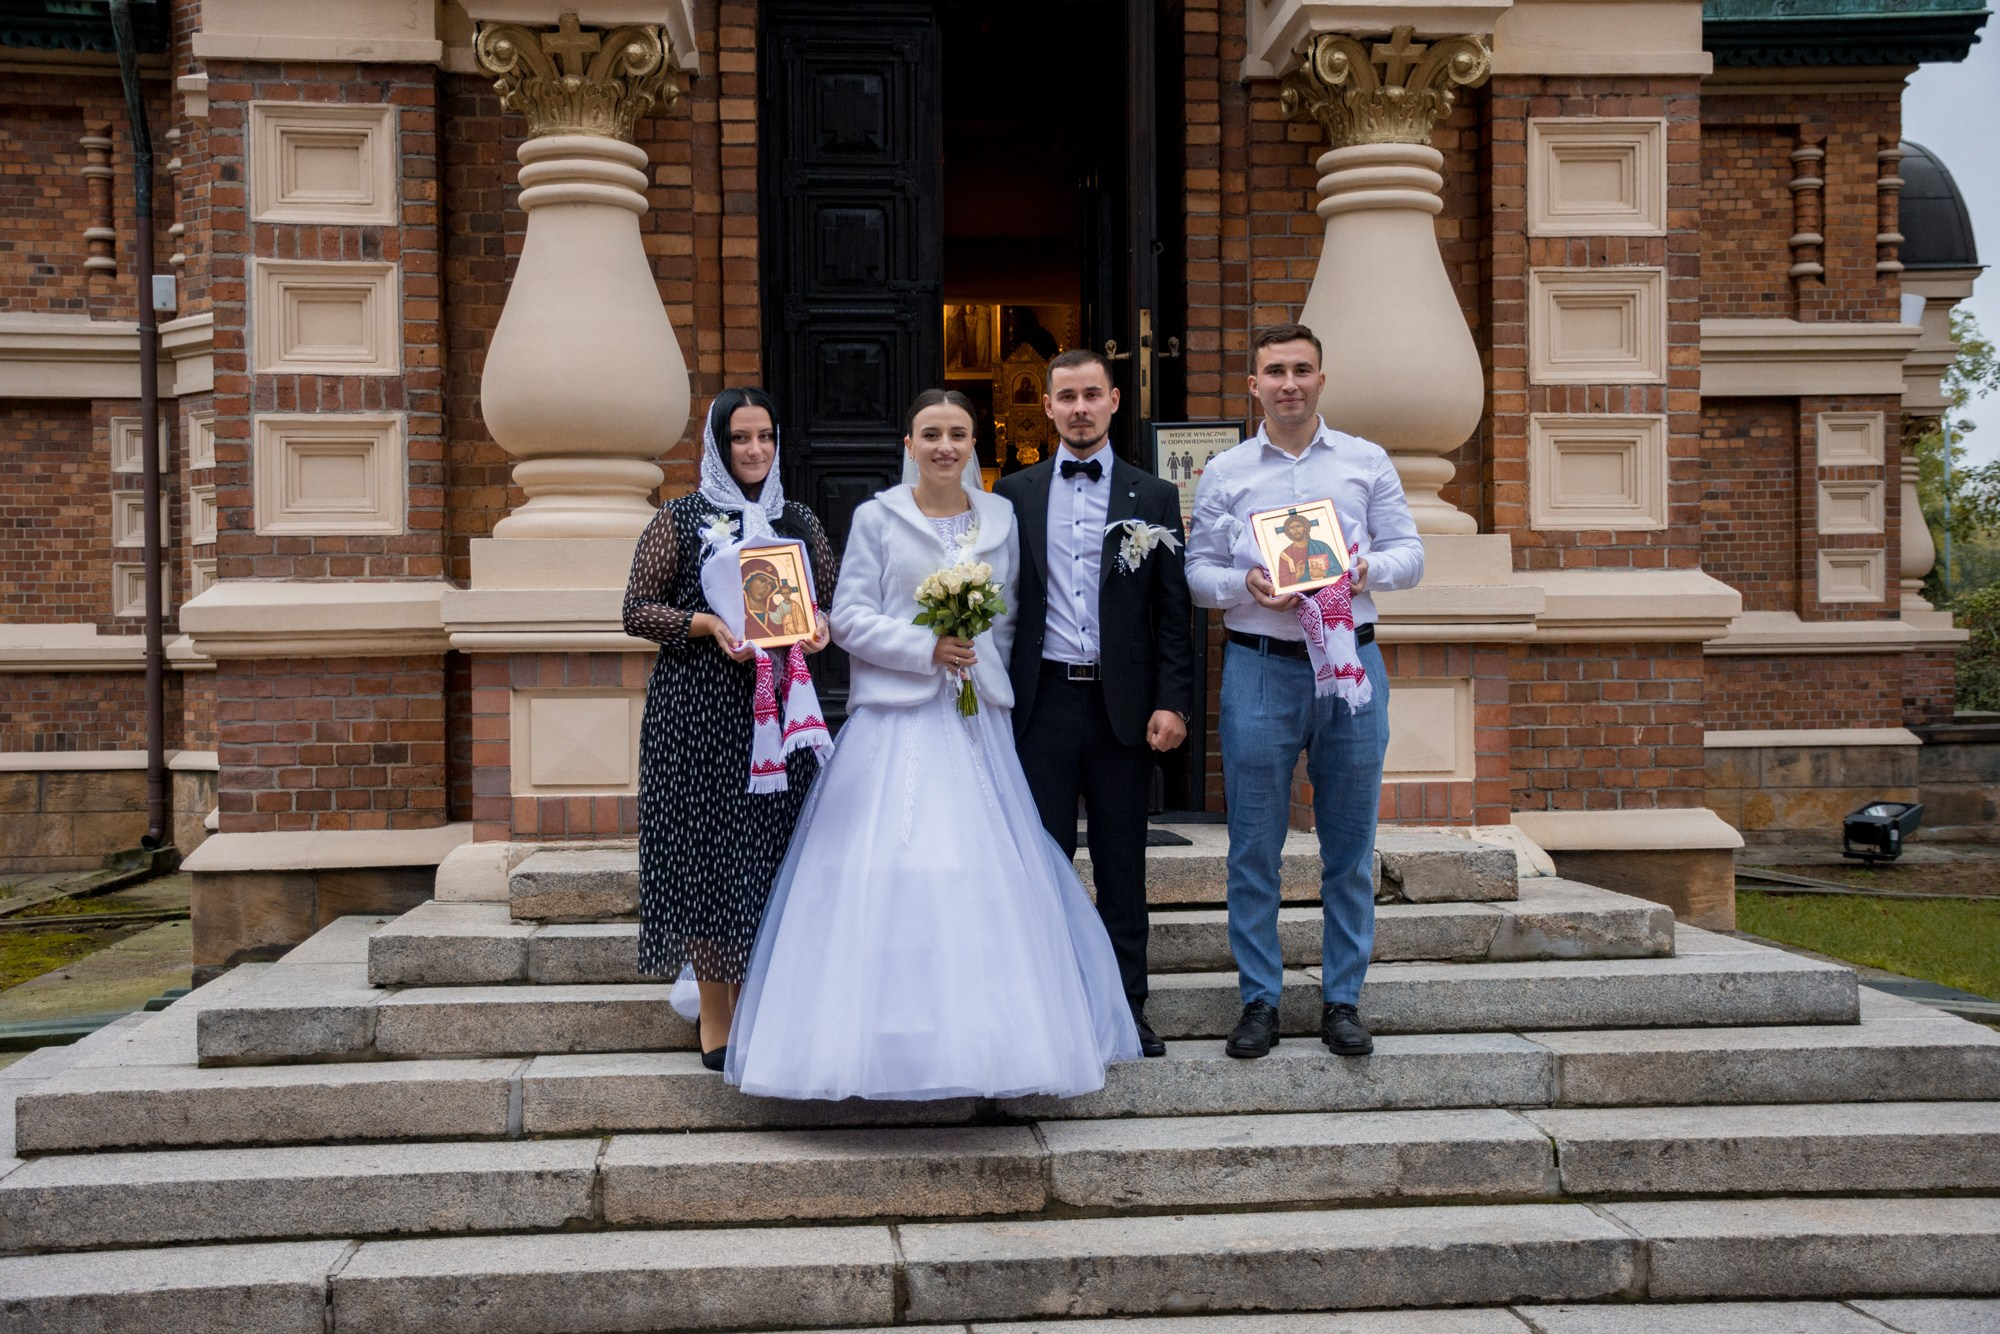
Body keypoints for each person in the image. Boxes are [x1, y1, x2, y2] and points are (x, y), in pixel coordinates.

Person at [725, 389, 1140, 1100]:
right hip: (898, 719)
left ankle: (990, 1041)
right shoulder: (877, 517)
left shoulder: (1002, 517)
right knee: (896, 866)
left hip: (978, 718)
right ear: (909, 446)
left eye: (957, 434)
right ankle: (884, 1039)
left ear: (974, 443)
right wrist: (928, 647)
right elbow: (849, 616)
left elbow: (1012, 616)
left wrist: (978, 662)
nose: (945, 446)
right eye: (930, 434)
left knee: (980, 871)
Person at [1185, 323, 1424, 1060]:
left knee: (1349, 848)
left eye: (1301, 369)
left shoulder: (1365, 461)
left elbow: (1411, 555)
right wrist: (1245, 584)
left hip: (1351, 666)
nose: (1288, 383)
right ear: (1253, 385)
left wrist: (1364, 572)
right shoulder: (1226, 472)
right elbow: (1196, 572)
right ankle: (1259, 999)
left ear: (1321, 378)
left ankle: (1342, 1000)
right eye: (1274, 371)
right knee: (1253, 846)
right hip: (1261, 666)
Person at [622, 388, 835, 1072]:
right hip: (698, 714)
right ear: (718, 445)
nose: (755, 449)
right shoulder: (679, 519)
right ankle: (717, 1014)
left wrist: (820, 625)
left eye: (765, 436)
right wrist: (706, 624)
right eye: (740, 438)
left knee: (771, 855)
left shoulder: (797, 519)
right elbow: (636, 610)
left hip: (781, 719)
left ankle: (771, 1003)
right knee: (709, 858)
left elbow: (829, 602)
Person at [994, 349, 1195, 1058]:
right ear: (1047, 406)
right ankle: (1049, 1010)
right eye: (1066, 397)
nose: (1079, 408)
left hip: (1123, 709)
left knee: (1121, 864)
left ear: (1113, 401)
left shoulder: (1154, 495)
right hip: (1041, 703)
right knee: (1043, 862)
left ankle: (1127, 1009)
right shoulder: (1011, 495)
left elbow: (1173, 614)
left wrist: (1173, 701)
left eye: (1091, 395)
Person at [1274, 510, 1339, 589]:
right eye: (1291, 528)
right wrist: (1297, 575)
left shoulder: (1322, 547)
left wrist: (1324, 573)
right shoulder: (1285, 555)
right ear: (1288, 532)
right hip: (1299, 592)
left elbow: (1339, 572)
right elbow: (1282, 583)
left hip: (1326, 588)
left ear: (1305, 528)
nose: (1295, 530)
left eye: (1298, 526)